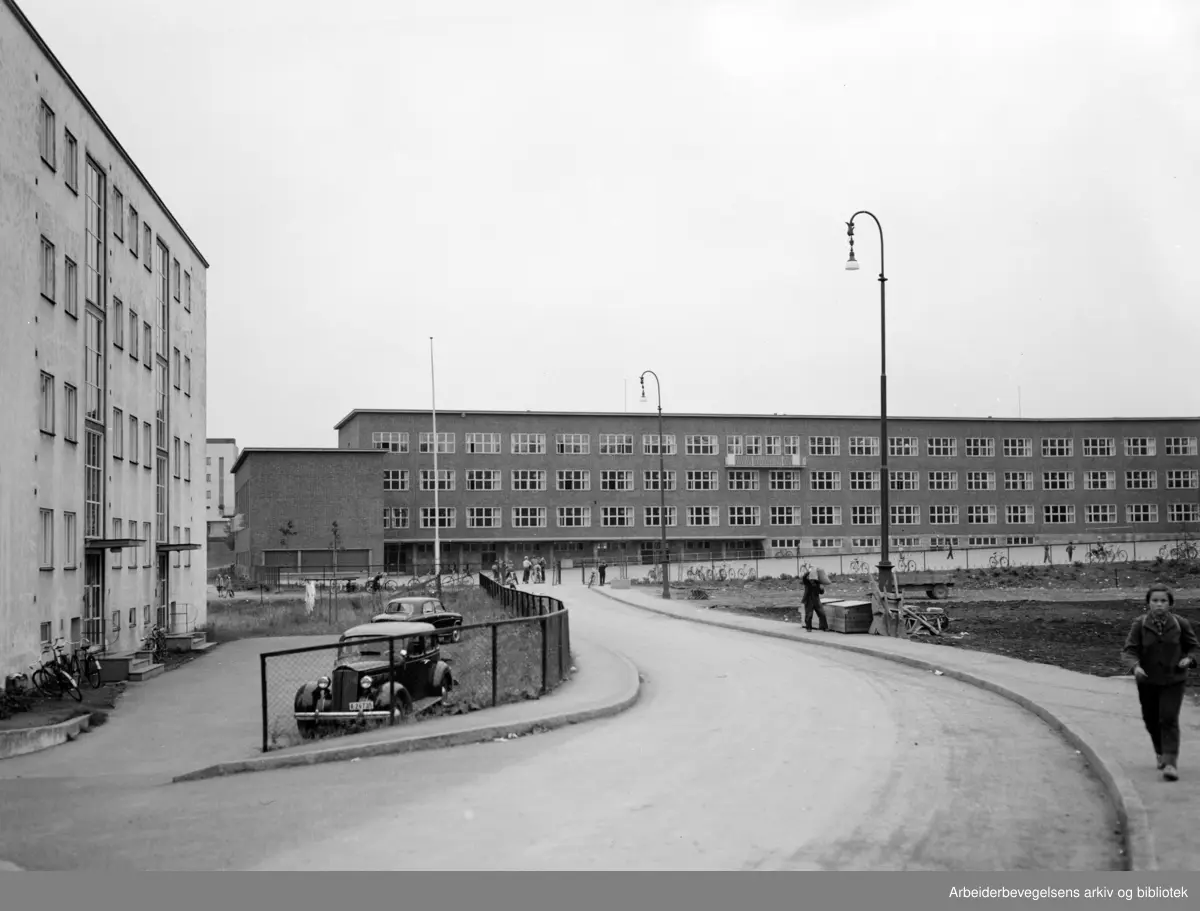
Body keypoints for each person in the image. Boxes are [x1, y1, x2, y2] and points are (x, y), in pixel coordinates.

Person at [1121, 584, 1199, 781]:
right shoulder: (1140, 625)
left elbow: (1193, 647)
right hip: (1147, 681)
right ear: (1148, 603)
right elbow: (1130, 650)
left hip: (1174, 680)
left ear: (1170, 604)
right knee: (1151, 719)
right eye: (1155, 600)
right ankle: (1160, 751)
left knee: (1169, 718)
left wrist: (1189, 660)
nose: (1159, 604)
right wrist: (1135, 667)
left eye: (1163, 601)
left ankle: (1171, 762)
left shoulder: (1180, 624)